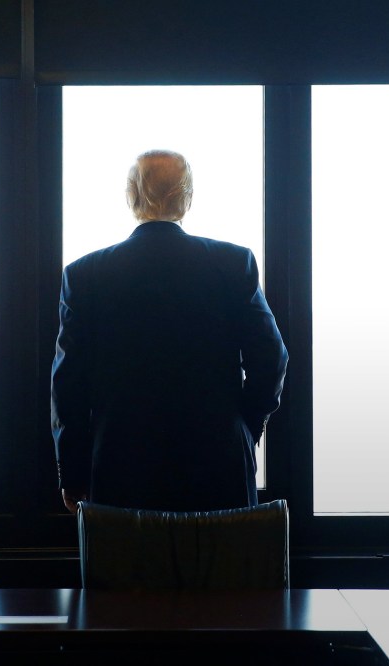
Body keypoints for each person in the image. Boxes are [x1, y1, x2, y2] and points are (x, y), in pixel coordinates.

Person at [51, 150, 288, 513]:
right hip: (218, 461)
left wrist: (72, 471)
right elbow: (271, 358)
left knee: (129, 568)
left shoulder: (85, 275)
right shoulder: (232, 264)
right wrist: (243, 427)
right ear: (187, 198)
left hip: (120, 463)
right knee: (218, 567)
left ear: (131, 196)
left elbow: (68, 384)